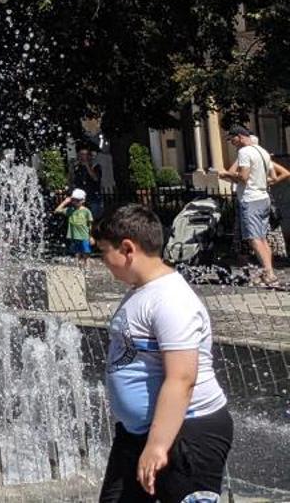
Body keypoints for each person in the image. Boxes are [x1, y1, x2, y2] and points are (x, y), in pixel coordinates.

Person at [94, 203, 232, 502]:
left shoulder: (171, 299)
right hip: (140, 434)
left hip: (186, 433)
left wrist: (157, 445)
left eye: (104, 251)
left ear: (128, 248)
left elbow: (182, 377)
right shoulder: (143, 291)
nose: (102, 261)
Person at [217, 126, 286, 287]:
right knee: (262, 237)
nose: (232, 143)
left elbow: (243, 177)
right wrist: (259, 182)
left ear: (240, 137)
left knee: (254, 238)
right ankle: (269, 271)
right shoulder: (262, 151)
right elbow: (274, 176)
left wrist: (225, 174)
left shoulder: (244, 152)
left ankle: (269, 274)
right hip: (263, 198)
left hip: (251, 200)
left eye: (232, 139)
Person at [55, 187, 95, 259]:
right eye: (73, 200)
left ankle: (87, 268)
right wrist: (65, 202)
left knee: (86, 253)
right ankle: (79, 268)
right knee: (77, 254)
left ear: (83, 200)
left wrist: (91, 236)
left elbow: (90, 225)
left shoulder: (86, 211)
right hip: (74, 236)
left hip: (84, 236)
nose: (74, 202)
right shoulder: (70, 210)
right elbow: (57, 210)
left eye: (77, 200)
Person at [74, 146, 107, 217]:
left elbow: (95, 178)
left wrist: (87, 166)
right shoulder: (77, 168)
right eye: (81, 154)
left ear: (89, 156)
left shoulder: (95, 166)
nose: (82, 156)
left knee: (95, 217)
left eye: (84, 154)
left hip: (93, 196)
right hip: (81, 198)